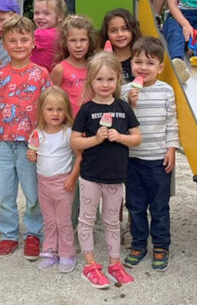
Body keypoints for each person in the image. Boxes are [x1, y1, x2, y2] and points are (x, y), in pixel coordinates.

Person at [71, 52, 141, 289]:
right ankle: (90, 265)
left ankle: (114, 263)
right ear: (91, 81)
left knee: (112, 222)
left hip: (116, 177)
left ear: (118, 80)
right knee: (87, 220)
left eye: (110, 79)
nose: (104, 84)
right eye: (99, 79)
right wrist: (95, 139)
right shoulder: (86, 109)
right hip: (90, 177)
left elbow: (137, 138)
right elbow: (75, 143)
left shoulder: (123, 108)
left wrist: (120, 137)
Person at [0, 15, 50, 259]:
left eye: (24, 40)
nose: (19, 45)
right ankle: (8, 235)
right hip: (2, 142)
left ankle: (34, 234)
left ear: (33, 42)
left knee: (32, 193)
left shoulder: (41, 74)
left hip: (30, 143)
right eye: (13, 41)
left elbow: (50, 107)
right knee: (4, 193)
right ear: (5, 44)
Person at [122, 36, 179, 272]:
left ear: (160, 67)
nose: (143, 68)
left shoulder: (166, 91)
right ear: (131, 64)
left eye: (150, 63)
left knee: (159, 205)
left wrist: (172, 149)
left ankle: (161, 245)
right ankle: (138, 243)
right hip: (132, 158)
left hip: (158, 158)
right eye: (138, 62)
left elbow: (172, 122)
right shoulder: (125, 90)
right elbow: (120, 123)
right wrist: (129, 105)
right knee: (135, 205)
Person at [26, 87, 80, 273]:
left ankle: (67, 253)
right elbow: (33, 153)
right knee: (49, 220)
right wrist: (32, 155)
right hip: (43, 183)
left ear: (66, 111)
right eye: (50, 109)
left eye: (60, 109)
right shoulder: (37, 134)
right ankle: (50, 250)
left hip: (63, 183)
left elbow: (80, 156)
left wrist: (73, 177)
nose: (55, 114)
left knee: (63, 221)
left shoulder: (68, 133)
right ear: (42, 111)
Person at [51, 14, 95, 115]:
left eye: (83, 40)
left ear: (89, 41)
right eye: (73, 40)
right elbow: (52, 98)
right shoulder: (60, 69)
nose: (78, 45)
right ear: (65, 42)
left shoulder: (94, 68)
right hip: (69, 124)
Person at [100, 7, 139, 84]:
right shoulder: (101, 61)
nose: (120, 34)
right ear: (106, 34)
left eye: (125, 29)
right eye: (113, 31)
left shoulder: (141, 58)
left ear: (132, 30)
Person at [31, 0, 67, 70]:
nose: (40, 17)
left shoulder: (41, 35)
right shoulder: (61, 32)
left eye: (46, 13)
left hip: (39, 76)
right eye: (37, 13)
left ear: (60, 16)